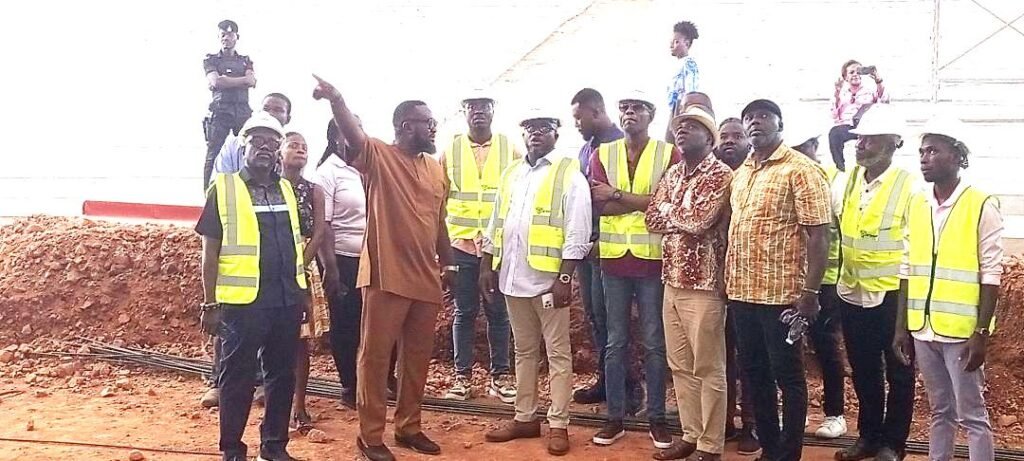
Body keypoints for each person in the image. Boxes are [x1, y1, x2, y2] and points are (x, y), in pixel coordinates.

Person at [312, 75, 454, 461]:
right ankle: (369, 437)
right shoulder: (378, 156)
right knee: (374, 360)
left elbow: (438, 221)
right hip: (386, 277)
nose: (434, 127)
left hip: (426, 278)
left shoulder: (436, 169)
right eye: (427, 121)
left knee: (417, 360)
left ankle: (409, 427)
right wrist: (336, 98)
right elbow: (354, 135)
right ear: (407, 126)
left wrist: (451, 266)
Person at [195, 112, 305, 461]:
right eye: (257, 141)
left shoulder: (286, 188)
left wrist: (302, 294)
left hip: (285, 300)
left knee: (281, 376)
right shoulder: (224, 189)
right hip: (243, 304)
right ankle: (232, 449)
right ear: (244, 146)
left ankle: (274, 447)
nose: (265, 148)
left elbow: (295, 245)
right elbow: (210, 253)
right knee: (237, 379)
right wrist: (210, 304)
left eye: (273, 144)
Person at [727, 99, 832, 461]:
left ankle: (789, 454)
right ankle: (769, 449)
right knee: (755, 374)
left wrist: (810, 293)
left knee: (788, 377)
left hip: (782, 296)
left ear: (780, 123)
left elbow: (819, 235)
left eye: (763, 116)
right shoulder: (743, 172)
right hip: (741, 292)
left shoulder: (800, 170)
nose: (754, 122)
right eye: (749, 118)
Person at [481, 114, 591, 457]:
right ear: (523, 134)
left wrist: (564, 278)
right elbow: (497, 220)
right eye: (529, 128)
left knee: (558, 354)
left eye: (544, 128)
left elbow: (578, 231)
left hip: (547, 283)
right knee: (524, 351)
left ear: (556, 134)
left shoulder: (568, 175)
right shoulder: (512, 173)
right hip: (513, 279)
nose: (536, 134)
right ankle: (525, 417)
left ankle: (558, 423)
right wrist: (487, 263)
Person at [894, 115, 1002, 461]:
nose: (924, 158)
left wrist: (981, 332)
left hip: (960, 333)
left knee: (972, 415)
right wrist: (902, 328)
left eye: (934, 151)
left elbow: (991, 274)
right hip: (924, 330)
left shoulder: (981, 204)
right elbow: (907, 268)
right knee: (940, 411)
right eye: (922, 152)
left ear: (957, 156)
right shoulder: (917, 202)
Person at [589, 93, 680, 449]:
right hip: (613, 260)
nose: (629, 113)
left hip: (652, 261)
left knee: (655, 341)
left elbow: (667, 204)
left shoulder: (667, 154)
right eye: (624, 107)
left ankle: (656, 417)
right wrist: (639, 202)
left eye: (637, 108)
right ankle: (615, 417)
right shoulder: (603, 154)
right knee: (615, 342)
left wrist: (616, 195)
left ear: (651, 115)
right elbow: (598, 203)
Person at [829, 105, 916, 461]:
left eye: (868, 139)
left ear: (893, 143)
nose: (859, 145)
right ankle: (868, 436)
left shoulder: (910, 186)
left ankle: (893, 444)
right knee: (863, 367)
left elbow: (914, 248)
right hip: (852, 290)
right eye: (859, 138)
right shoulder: (847, 180)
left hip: (891, 292)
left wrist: (905, 317)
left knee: (899, 370)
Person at [646, 104, 732, 461]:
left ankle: (711, 446)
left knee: (708, 367)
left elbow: (700, 221)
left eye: (691, 127)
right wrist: (669, 212)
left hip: (705, 285)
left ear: (709, 137)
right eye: (679, 126)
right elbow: (651, 217)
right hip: (672, 281)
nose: (681, 131)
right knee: (680, 365)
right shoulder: (673, 174)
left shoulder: (720, 175)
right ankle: (691, 434)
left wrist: (669, 211)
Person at [439, 93, 520, 403]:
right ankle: (462, 377)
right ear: (464, 112)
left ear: (493, 111)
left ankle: (499, 376)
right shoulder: (452, 150)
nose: (478, 113)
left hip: (496, 245)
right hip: (460, 243)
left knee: (499, 312)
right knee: (464, 311)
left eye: (484, 107)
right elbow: (440, 199)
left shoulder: (509, 149)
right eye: (472, 107)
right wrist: (442, 253)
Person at [315, 120, 400, 410]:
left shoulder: (373, 166)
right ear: (334, 137)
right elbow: (324, 225)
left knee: (384, 322)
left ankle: (385, 379)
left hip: (378, 257)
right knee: (348, 325)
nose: (355, 133)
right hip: (344, 260)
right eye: (348, 129)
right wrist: (331, 268)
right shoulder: (328, 173)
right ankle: (351, 386)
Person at [789, 131, 850, 441]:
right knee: (790, 347)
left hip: (824, 280)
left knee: (825, 346)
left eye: (803, 147)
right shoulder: (785, 173)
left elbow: (828, 236)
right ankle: (795, 413)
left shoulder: (832, 181)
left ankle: (835, 413)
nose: (798, 153)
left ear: (814, 147)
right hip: (789, 279)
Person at [568, 88, 623, 405]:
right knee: (594, 317)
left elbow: (617, 196)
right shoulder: (586, 148)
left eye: (579, 117)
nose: (576, 123)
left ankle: (625, 387)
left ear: (596, 112)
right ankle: (606, 381)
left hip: (611, 247)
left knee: (611, 320)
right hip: (587, 246)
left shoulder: (619, 144)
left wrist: (601, 237)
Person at [275, 132, 331, 432]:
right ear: (279, 152)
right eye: (293, 145)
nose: (300, 150)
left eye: (304, 147)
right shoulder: (268, 187)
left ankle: (298, 406)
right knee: (273, 340)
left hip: (303, 268)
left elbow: (319, 232)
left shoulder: (314, 190)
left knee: (300, 341)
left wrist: (299, 266)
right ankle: (275, 404)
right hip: (271, 266)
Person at [713, 116, 760, 456]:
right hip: (716, 281)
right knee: (722, 355)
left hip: (751, 281)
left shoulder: (755, 175)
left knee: (752, 358)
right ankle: (725, 420)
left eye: (737, 136)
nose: (729, 141)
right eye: (723, 136)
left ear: (748, 141)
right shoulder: (713, 175)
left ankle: (752, 424)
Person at [203, 19, 256, 189]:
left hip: (242, 112)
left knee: (246, 152)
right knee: (214, 153)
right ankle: (208, 193)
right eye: (223, 35)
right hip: (221, 112)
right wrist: (241, 81)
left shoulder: (245, 60)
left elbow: (251, 80)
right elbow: (216, 82)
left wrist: (226, 80)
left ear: (236, 37)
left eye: (230, 34)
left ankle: (248, 190)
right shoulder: (211, 60)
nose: (226, 38)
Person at [828, 60, 889, 171]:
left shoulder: (869, 91)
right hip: (848, 127)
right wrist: (837, 93)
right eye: (851, 72)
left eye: (858, 72)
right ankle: (840, 167)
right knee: (834, 133)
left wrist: (878, 81)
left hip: (865, 127)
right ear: (845, 77)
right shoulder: (841, 93)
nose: (855, 74)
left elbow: (884, 101)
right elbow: (834, 115)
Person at [213, 94, 293, 177]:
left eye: (278, 110)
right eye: (265, 109)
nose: (270, 113)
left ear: (288, 118)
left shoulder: (294, 147)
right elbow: (222, 181)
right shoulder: (234, 144)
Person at [665, 20, 701, 143]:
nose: (672, 45)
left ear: (686, 43)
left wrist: (685, 106)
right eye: (671, 42)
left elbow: (691, 87)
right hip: (674, 106)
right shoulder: (677, 64)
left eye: (676, 42)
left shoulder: (689, 63)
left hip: (681, 106)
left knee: (673, 138)